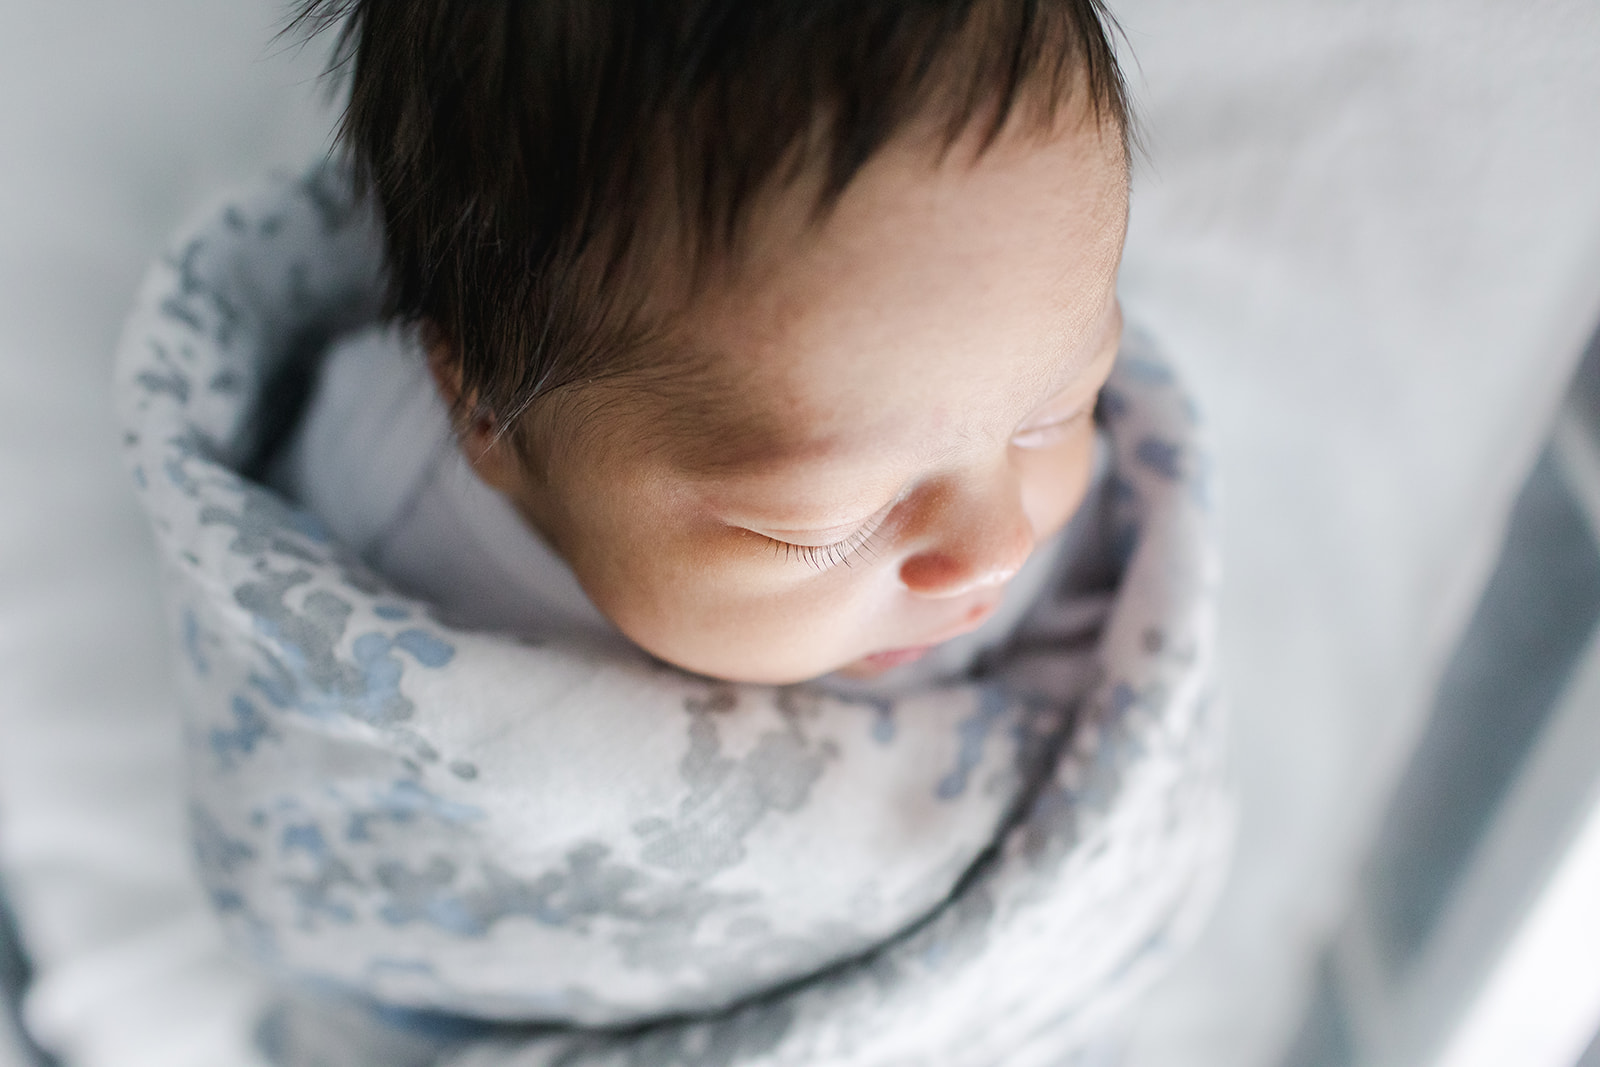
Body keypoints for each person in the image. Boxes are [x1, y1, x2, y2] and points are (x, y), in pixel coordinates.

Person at [278, 0, 1133, 690]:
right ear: (486, 410)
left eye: (1057, 413)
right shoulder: (381, 537)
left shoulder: (1027, 358)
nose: (1002, 549)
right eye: (818, 524)